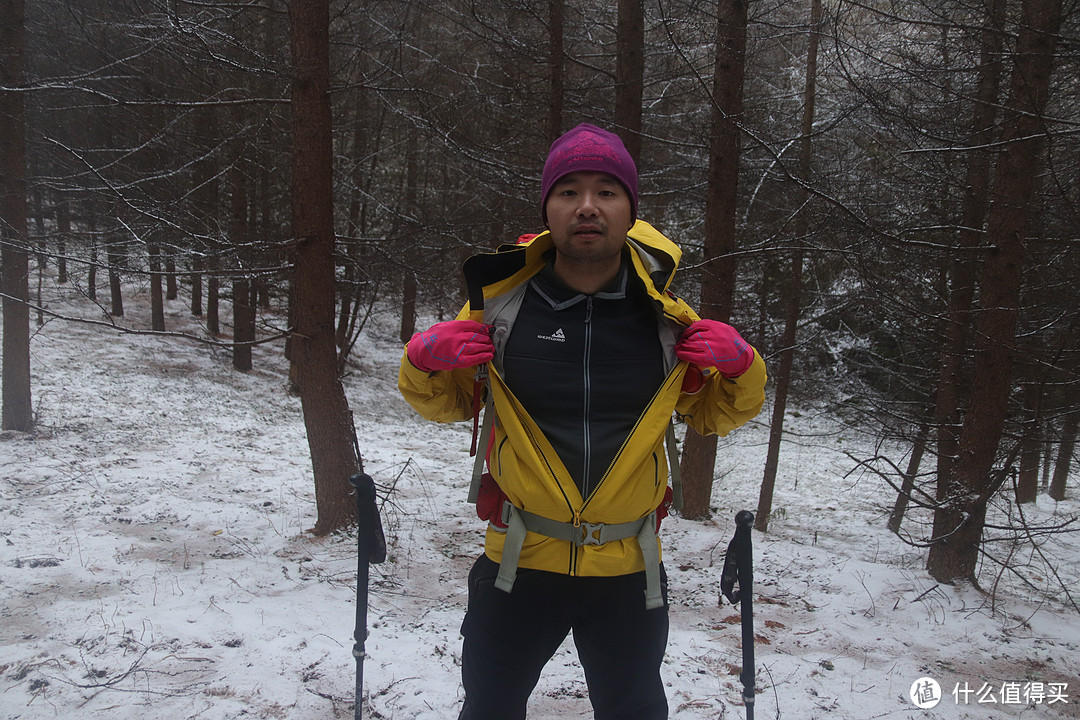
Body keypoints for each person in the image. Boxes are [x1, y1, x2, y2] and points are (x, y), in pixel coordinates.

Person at [398, 123, 767, 720]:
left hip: (628, 571)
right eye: (568, 191)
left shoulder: (667, 322)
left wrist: (744, 368)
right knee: (489, 710)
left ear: (630, 210)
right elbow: (448, 403)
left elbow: (711, 413)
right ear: (548, 208)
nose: (587, 206)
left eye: (606, 191)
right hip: (517, 564)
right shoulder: (500, 308)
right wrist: (421, 363)